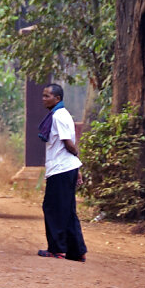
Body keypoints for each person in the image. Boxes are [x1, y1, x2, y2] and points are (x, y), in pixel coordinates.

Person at [37, 84, 86, 261]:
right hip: (65, 167)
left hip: (61, 169)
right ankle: (77, 251)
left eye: (47, 96)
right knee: (67, 209)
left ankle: (57, 249)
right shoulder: (59, 115)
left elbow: (68, 143)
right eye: (43, 95)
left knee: (53, 208)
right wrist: (76, 167)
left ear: (57, 99)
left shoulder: (59, 116)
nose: (43, 99)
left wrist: (76, 157)